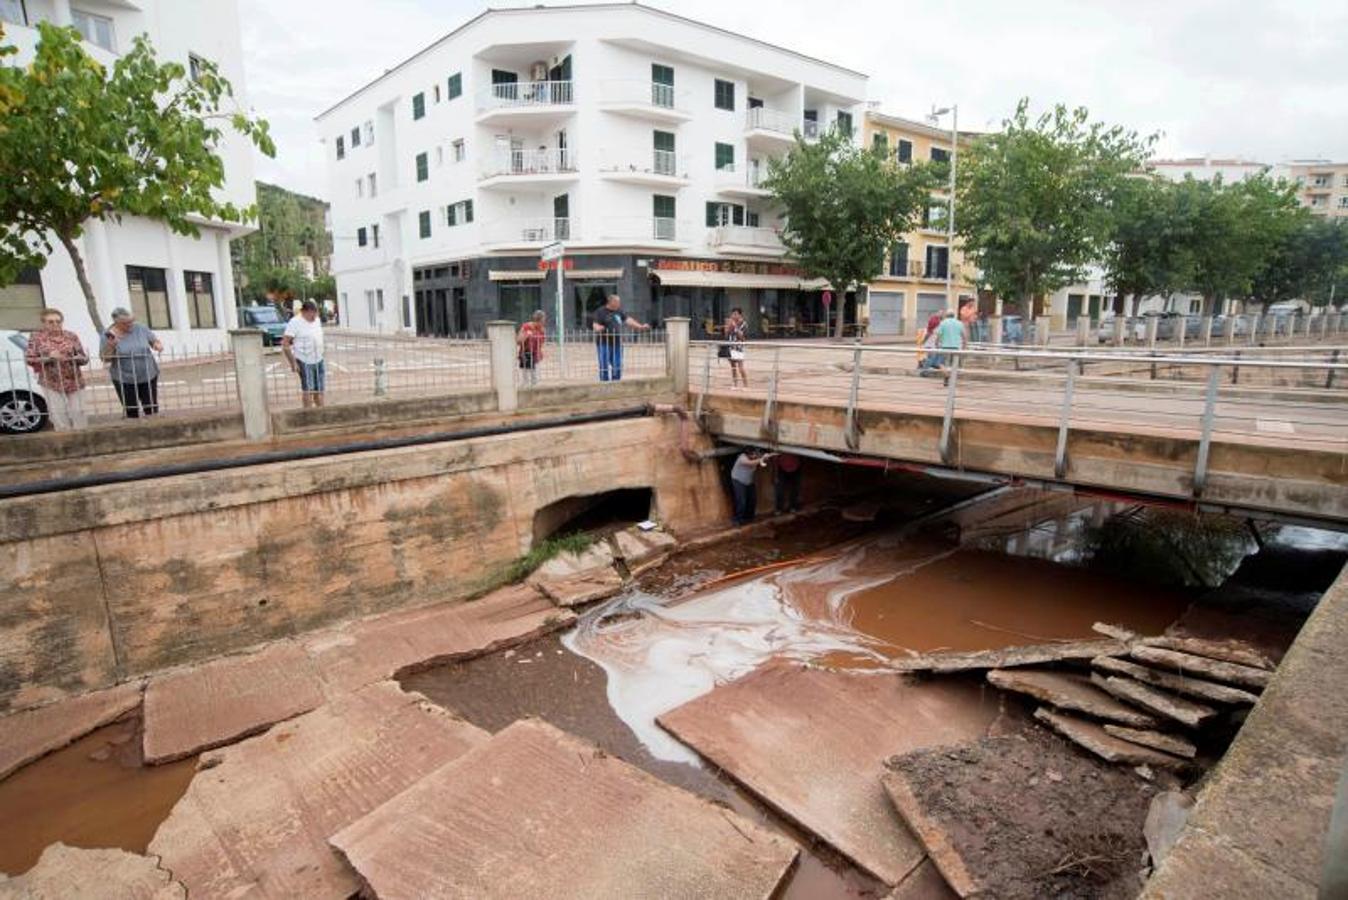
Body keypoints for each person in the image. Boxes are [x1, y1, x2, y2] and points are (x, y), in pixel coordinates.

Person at [25, 308, 89, 430]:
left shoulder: (71, 336)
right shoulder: (36, 337)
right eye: (50, 322)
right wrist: (49, 357)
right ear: (44, 323)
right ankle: (64, 438)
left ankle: (81, 436)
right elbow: (30, 359)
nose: (55, 324)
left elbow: (83, 358)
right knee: (58, 413)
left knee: (79, 411)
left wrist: (77, 358)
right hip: (51, 380)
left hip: (74, 379)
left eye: (58, 321)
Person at [101, 307, 162, 418]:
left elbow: (153, 341)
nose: (130, 324)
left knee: (151, 408)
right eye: (125, 323)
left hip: (148, 374)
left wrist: (157, 345)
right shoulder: (108, 335)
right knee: (131, 410)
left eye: (131, 321)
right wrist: (111, 346)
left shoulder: (140, 328)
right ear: (116, 322)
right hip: (124, 378)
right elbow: (105, 358)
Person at [590, 293, 651, 382]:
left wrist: (640, 326)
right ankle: (604, 383)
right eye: (617, 302)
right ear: (611, 302)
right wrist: (598, 328)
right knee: (604, 364)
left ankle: (616, 382)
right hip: (603, 342)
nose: (619, 304)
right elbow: (595, 324)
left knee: (617, 364)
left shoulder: (619, 311)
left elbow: (628, 320)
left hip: (617, 342)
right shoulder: (600, 311)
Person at [282, 299, 326, 408]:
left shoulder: (317, 320)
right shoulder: (295, 322)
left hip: (318, 359)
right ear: (305, 312)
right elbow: (285, 343)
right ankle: (308, 414)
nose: (315, 317)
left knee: (319, 390)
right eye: (313, 314)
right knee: (308, 390)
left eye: (316, 313)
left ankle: (321, 413)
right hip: (304, 360)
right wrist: (293, 363)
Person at [730, 448, 774, 526]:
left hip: (749, 481)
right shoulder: (742, 458)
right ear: (748, 454)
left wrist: (767, 456)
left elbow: (762, 458)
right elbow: (750, 463)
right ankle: (737, 519)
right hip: (738, 480)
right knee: (741, 501)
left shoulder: (756, 456)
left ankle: (749, 518)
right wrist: (762, 459)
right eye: (753, 455)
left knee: (752, 499)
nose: (755, 456)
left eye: (755, 454)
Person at [932, 309, 967, 378]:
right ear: (954, 315)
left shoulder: (943, 323)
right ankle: (952, 379)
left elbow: (938, 335)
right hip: (956, 347)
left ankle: (947, 376)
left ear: (946, 316)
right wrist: (964, 346)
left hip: (945, 346)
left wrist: (936, 344)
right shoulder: (959, 323)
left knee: (940, 363)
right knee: (955, 364)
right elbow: (964, 337)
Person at [517, 310, 546, 386]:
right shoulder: (526, 326)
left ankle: (534, 390)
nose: (543, 322)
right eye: (543, 320)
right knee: (525, 377)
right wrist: (526, 335)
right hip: (526, 354)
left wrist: (540, 353)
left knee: (535, 377)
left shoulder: (542, 329)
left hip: (536, 355)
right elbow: (519, 341)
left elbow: (541, 342)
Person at [723, 307, 749, 389]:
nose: (733, 316)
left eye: (735, 314)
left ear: (740, 315)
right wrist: (727, 327)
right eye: (733, 314)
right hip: (730, 347)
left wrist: (735, 327)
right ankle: (735, 384)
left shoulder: (744, 324)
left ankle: (746, 385)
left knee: (741, 367)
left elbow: (742, 337)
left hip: (739, 348)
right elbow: (726, 334)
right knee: (733, 367)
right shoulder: (731, 323)